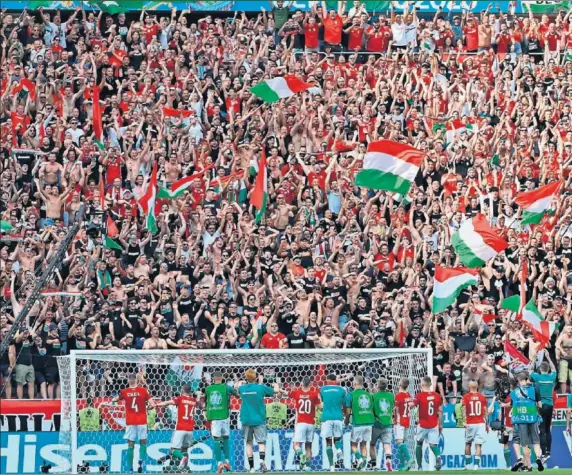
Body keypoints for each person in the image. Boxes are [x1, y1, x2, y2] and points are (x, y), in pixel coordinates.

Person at [237, 368, 281, 473]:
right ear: (256, 378)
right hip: (259, 419)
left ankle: (251, 468)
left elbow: (236, 387)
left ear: (246, 378)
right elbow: (276, 391)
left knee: (248, 443)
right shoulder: (261, 388)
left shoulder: (242, 388)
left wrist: (240, 382)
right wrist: (276, 385)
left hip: (246, 419)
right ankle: (262, 461)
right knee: (261, 442)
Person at [112, 373, 156, 473]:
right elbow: (153, 404)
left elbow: (116, 399)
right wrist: (148, 407)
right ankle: (140, 461)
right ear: (136, 381)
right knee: (143, 442)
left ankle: (130, 468)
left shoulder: (124, 392)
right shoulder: (143, 390)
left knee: (130, 444)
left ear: (128, 381)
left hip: (131, 422)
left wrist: (113, 400)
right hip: (142, 421)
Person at [508, 372, 544, 472]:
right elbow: (540, 405)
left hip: (520, 419)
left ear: (518, 381)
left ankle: (528, 465)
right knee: (536, 441)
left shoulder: (514, 392)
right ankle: (538, 457)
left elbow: (512, 405)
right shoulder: (534, 389)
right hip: (532, 418)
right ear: (527, 379)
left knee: (524, 444)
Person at [155, 384, 198, 470]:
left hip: (180, 428)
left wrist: (156, 405)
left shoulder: (180, 398)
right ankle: (184, 467)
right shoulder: (194, 401)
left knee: (173, 450)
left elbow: (167, 403)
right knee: (185, 449)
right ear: (190, 392)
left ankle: (182, 458)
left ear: (182, 390)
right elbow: (200, 408)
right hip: (190, 429)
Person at [205, 371, 237, 473]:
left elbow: (206, 400)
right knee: (226, 437)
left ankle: (219, 464)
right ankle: (227, 461)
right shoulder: (227, 387)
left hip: (215, 417)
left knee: (217, 439)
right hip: (225, 416)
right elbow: (237, 395)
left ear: (213, 378)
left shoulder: (208, 389)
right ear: (222, 377)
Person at [288, 375, 322, 471]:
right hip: (311, 424)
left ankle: (300, 454)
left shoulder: (297, 393)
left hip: (300, 423)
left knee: (296, 445)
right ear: (310, 384)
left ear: (302, 383)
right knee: (308, 447)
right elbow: (320, 407)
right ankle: (308, 467)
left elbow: (288, 393)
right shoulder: (314, 394)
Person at [411, 376, 443, 471]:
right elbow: (440, 411)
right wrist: (440, 424)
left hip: (423, 424)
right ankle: (438, 456)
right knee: (433, 445)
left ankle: (420, 467)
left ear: (422, 384)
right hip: (434, 424)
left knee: (419, 443)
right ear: (430, 384)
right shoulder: (437, 396)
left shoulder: (419, 396)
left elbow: (411, 406)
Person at [344, 375, 374, 470]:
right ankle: (363, 468)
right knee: (364, 445)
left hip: (358, 423)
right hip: (369, 423)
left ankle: (359, 459)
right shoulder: (369, 395)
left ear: (355, 383)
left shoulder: (351, 395)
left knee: (353, 445)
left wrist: (347, 420)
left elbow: (348, 411)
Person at [530, 358, 557, 460]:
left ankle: (544, 453)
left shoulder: (537, 377)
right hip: (550, 406)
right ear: (548, 368)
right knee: (548, 430)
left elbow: (529, 370)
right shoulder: (552, 377)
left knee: (541, 430)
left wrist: (533, 359)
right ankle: (548, 452)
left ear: (540, 369)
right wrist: (549, 357)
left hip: (541, 406)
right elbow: (554, 369)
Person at [320, 373, 347, 470]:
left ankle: (331, 466)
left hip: (326, 417)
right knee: (337, 440)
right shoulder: (342, 390)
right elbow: (344, 404)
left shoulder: (323, 389)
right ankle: (339, 450)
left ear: (327, 380)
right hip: (338, 417)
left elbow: (322, 402)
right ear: (335, 380)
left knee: (328, 442)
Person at [461, 380, 489, 470]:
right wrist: (487, 424)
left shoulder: (465, 397)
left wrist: (464, 421)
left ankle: (468, 465)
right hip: (481, 423)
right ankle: (476, 466)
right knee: (478, 445)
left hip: (470, 423)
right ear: (477, 387)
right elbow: (485, 412)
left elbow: (464, 410)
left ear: (469, 387)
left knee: (468, 444)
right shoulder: (482, 397)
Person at [369, 378, 394, 471]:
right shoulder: (391, 395)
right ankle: (388, 459)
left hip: (376, 424)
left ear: (377, 386)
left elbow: (371, 409)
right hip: (387, 423)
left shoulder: (373, 396)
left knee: (372, 444)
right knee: (387, 444)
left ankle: (374, 465)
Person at [394, 377, 413, 470]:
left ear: (400, 384)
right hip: (407, 421)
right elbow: (411, 406)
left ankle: (409, 459)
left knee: (399, 442)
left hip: (400, 421)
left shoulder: (398, 396)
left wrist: (396, 419)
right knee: (402, 443)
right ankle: (402, 466)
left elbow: (396, 409)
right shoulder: (408, 395)